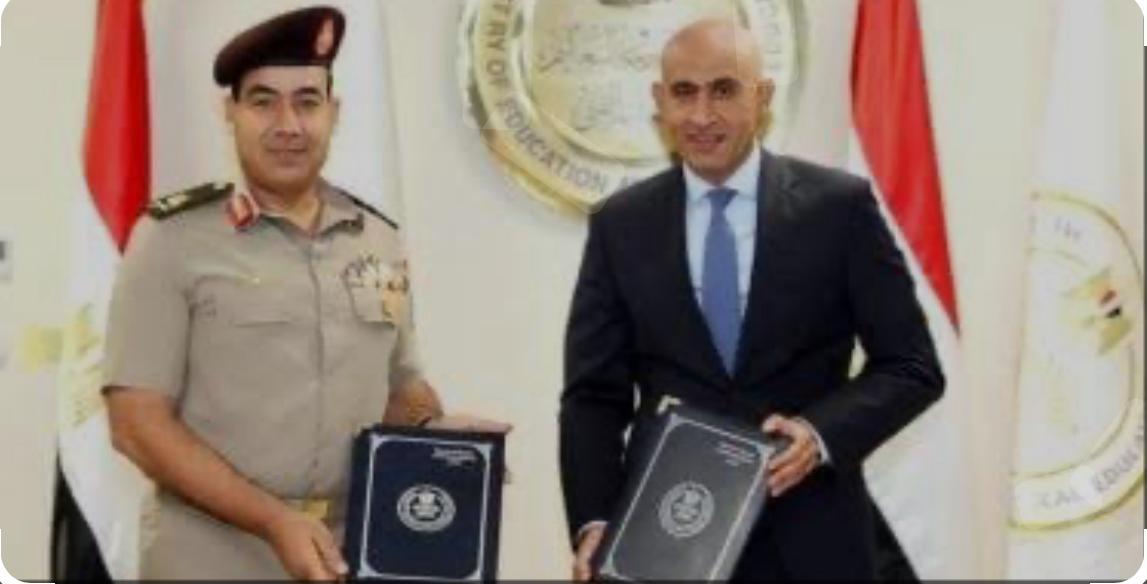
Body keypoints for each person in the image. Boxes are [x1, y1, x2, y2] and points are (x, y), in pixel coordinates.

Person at [102, 6, 508, 581]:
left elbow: (399, 387)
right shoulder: (172, 239)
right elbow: (136, 424)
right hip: (211, 557)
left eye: (307, 102)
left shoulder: (377, 239)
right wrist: (273, 520)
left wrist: (435, 437)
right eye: (263, 101)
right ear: (230, 113)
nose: (288, 124)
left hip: (351, 551)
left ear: (333, 113)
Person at [559, 19, 944, 581]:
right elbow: (593, 397)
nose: (701, 115)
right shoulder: (620, 224)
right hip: (667, 541)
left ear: (761, 97)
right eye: (684, 92)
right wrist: (594, 520)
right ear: (660, 101)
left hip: (813, 538)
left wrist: (817, 434)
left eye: (724, 90)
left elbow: (912, 367)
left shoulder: (838, 209)